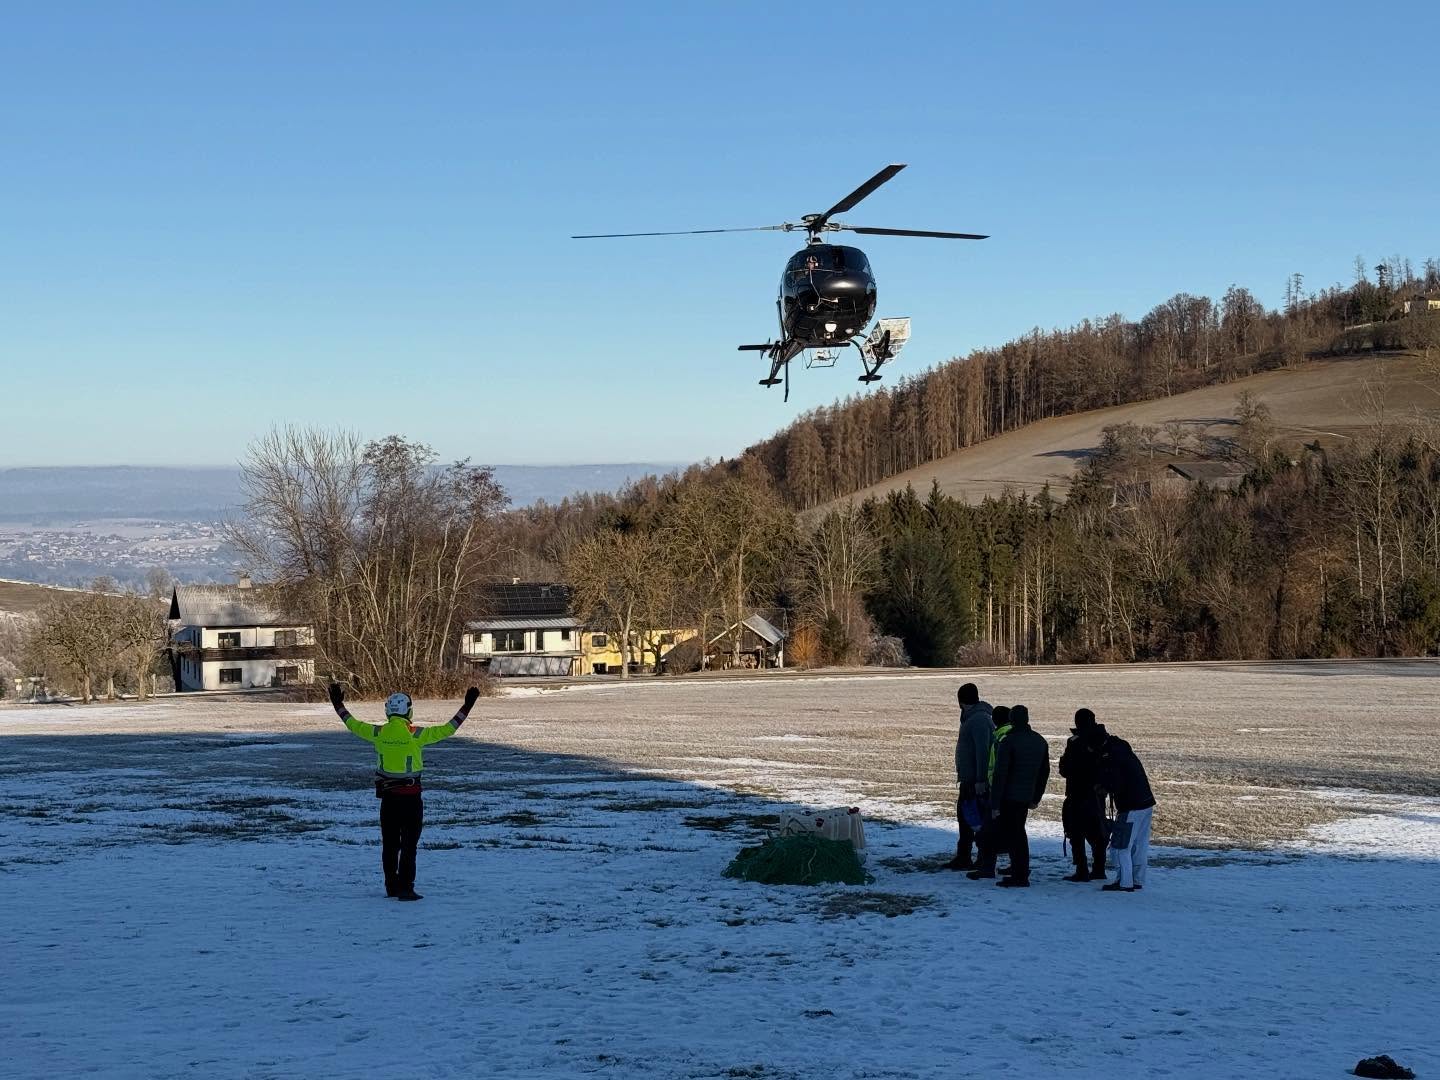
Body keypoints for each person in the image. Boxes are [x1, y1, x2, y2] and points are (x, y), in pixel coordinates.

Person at [330, 682, 479, 901]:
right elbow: (449, 728)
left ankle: (391, 886)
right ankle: (406, 888)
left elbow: (352, 724)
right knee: (409, 845)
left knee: (390, 845)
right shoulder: (416, 735)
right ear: (409, 711)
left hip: (388, 800)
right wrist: (467, 706)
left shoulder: (377, 733)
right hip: (411, 799)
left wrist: (338, 704)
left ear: (388, 711)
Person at [970, 704, 1049, 888]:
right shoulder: (1039, 741)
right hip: (1026, 796)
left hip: (1008, 797)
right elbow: (1044, 772)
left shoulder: (1009, 741)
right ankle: (1019, 871)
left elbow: (1000, 774)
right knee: (1018, 834)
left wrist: (995, 803)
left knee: (1010, 836)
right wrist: (1036, 797)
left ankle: (1018, 876)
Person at [1085, 721, 1156, 892]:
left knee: (1119, 846)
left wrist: (1103, 787)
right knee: (1139, 845)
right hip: (1145, 802)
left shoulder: (1110, 755)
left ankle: (1124, 882)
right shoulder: (1120, 747)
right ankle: (1137, 880)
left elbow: (1117, 781)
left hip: (1131, 805)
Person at [1058, 708, 1108, 882]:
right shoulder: (1104, 740)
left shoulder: (1074, 742)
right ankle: (1099, 868)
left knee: (1076, 832)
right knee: (1098, 833)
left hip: (1077, 792)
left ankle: (1082, 869)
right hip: (1097, 793)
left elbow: (1065, 769)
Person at [948, 683, 994, 870]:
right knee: (965, 818)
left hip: (974, 782)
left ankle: (980, 857)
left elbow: (982, 752)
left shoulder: (979, 720)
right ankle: (964, 856)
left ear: (961, 701)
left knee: (975, 820)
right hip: (969, 779)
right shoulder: (972, 718)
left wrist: (980, 781)